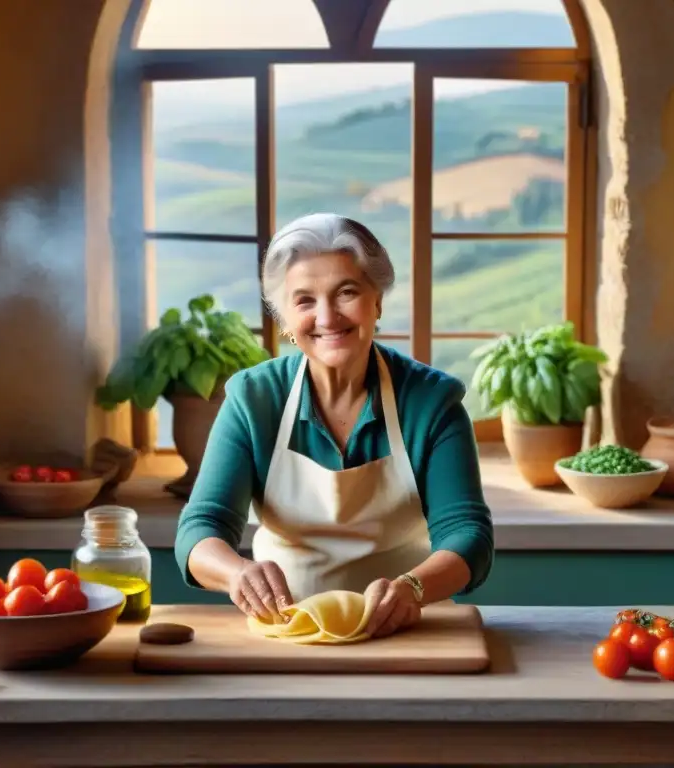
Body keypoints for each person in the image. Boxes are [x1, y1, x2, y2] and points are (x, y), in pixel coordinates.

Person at [174, 213, 494, 638]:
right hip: (287, 634)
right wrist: (236, 574)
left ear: (377, 301)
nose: (326, 317)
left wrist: (413, 588)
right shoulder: (254, 400)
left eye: (346, 292)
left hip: (406, 632)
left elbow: (468, 534)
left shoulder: (431, 401)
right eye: (304, 300)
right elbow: (201, 527)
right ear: (285, 319)